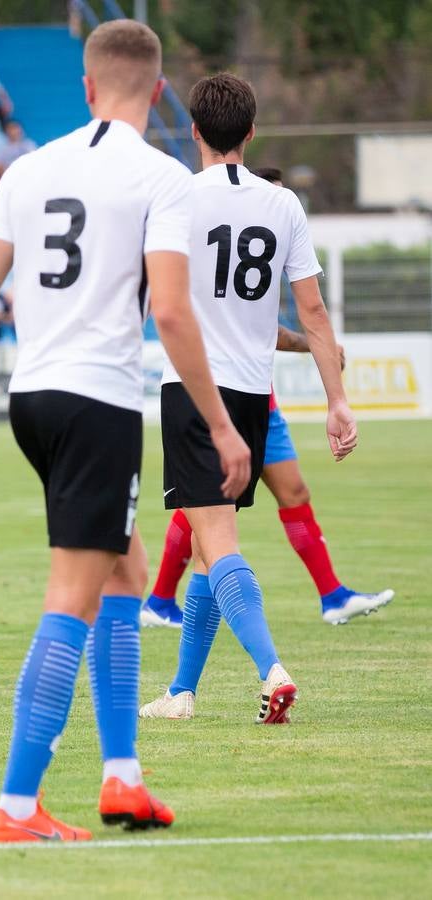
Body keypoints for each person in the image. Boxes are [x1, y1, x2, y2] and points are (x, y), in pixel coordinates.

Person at [0, 20, 251, 841]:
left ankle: (122, 779)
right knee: (72, 594)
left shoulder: (28, 169)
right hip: (96, 402)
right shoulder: (163, 178)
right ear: (160, 91)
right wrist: (219, 425)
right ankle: (17, 806)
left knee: (125, 574)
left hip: (32, 398)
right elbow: (169, 310)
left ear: (87, 88)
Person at [138, 74, 356, 725]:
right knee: (209, 546)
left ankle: (272, 670)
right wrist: (336, 401)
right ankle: (181, 692)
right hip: (253, 397)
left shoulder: (174, 196)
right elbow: (312, 310)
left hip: (193, 390)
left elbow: (152, 297)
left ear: (195, 132)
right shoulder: (282, 204)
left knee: (217, 543)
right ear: (251, 132)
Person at [141, 167, 392, 631]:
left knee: (282, 494)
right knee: (210, 514)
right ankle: (165, 605)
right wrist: (316, 348)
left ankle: (331, 594)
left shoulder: (263, 235)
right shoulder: (234, 224)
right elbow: (276, 328)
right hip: (228, 394)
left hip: (261, 400)